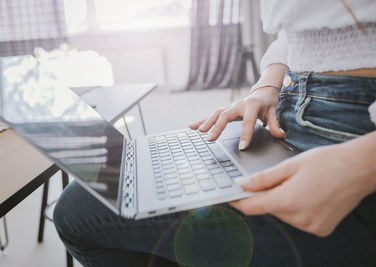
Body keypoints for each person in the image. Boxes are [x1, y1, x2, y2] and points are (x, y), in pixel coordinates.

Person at [53, 0, 376, 266]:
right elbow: (294, 35)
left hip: (356, 130)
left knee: (81, 214)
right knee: (117, 184)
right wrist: (268, 86)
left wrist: (363, 162)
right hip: (295, 102)